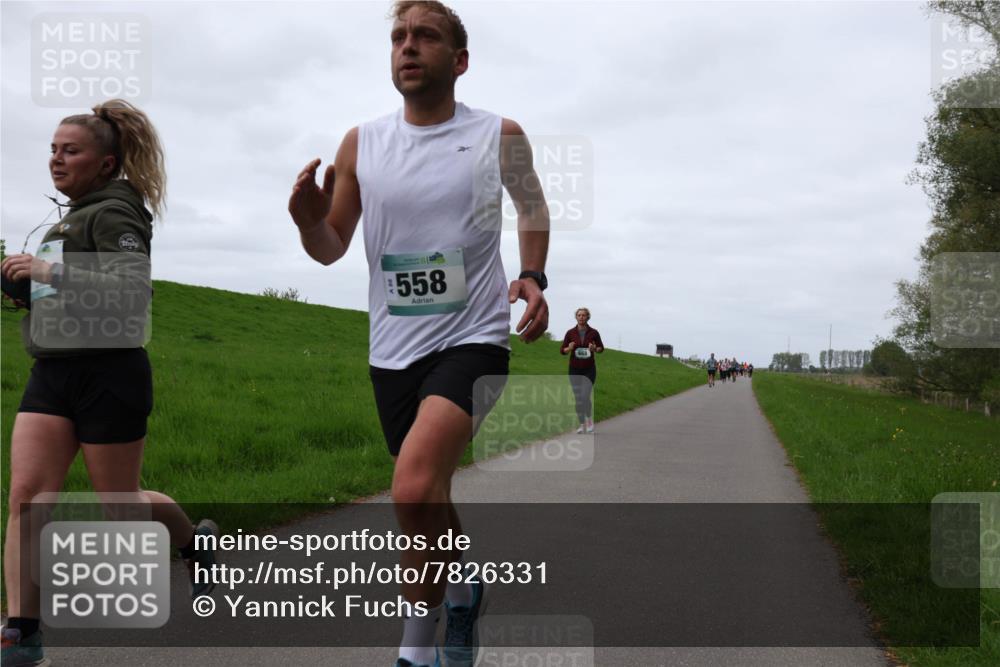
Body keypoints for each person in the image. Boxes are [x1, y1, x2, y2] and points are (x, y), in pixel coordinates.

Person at [287, 3, 550, 666]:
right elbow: (331, 247)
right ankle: (462, 590)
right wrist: (309, 221)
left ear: (459, 61)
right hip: (392, 349)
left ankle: (415, 651)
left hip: (474, 337)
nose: (408, 46)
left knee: (410, 487)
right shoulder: (361, 144)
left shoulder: (498, 134)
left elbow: (532, 207)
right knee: (427, 492)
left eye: (425, 36)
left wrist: (532, 275)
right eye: (399, 36)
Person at [0, 100, 219, 667]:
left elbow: (130, 291)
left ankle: (195, 542)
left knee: (120, 505)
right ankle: (23, 634)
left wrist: (48, 271)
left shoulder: (117, 212)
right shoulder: (67, 220)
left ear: (106, 162)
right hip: (53, 373)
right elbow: (68, 294)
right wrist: (26, 289)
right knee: (27, 500)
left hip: (110, 373)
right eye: (52, 149)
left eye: (70, 150)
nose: (56, 159)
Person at [560, 308, 603, 433]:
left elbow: (601, 348)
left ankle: (589, 420)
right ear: (576, 317)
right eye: (579, 315)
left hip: (589, 369)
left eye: (584, 315)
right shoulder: (570, 333)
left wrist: (594, 348)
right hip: (574, 369)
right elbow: (562, 350)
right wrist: (569, 348)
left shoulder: (594, 332)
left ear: (588, 317)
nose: (581, 317)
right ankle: (581, 424)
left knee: (585, 395)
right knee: (578, 397)